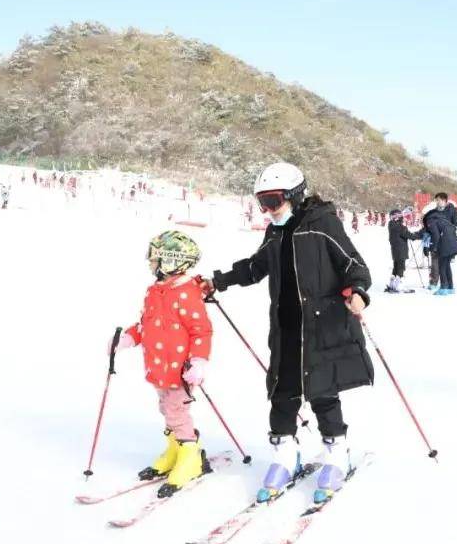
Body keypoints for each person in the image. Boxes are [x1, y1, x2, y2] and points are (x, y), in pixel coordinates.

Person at [203, 163, 373, 504]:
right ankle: (284, 455)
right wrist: (219, 280)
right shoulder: (276, 231)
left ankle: (336, 453)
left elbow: (353, 263)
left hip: (322, 325)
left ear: (294, 195)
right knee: (282, 393)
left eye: (273, 200)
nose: (268, 209)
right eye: (261, 202)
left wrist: (357, 290)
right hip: (285, 327)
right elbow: (256, 266)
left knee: (323, 392)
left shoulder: (322, 224)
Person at [111, 231, 214, 498]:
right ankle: (174, 450)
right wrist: (129, 338)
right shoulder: (155, 291)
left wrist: (199, 361)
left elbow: (201, 331)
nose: (150, 263)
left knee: (176, 411)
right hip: (158, 366)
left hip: (180, 370)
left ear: (171, 261)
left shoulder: (186, 294)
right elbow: (146, 324)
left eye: (154, 258)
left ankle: (190, 457)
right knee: (166, 409)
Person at [422, 193, 457, 295]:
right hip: (446, 242)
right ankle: (448, 286)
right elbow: (429, 231)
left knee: (442, 265)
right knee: (444, 265)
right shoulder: (434, 214)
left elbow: (455, 226)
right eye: (436, 200)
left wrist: (431, 247)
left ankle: (444, 287)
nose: (437, 202)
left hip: (446, 241)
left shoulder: (450, 211)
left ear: (445, 200)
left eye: (439, 200)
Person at [386, 208, 419, 292]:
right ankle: (398, 285)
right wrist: (421, 234)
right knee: (401, 267)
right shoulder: (399, 227)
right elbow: (411, 236)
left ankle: (392, 284)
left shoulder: (391, 225)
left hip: (395, 250)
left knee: (396, 267)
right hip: (401, 250)